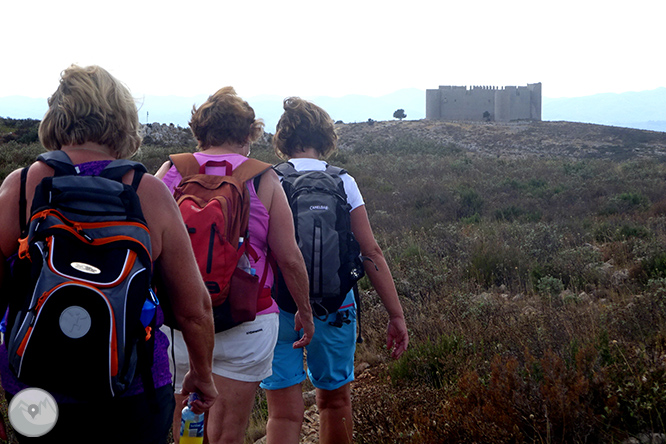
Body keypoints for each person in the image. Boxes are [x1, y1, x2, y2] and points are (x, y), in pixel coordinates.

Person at [0, 65, 218, 443]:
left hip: (34, 388)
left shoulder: (21, 187)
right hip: (133, 390)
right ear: (122, 120)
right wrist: (202, 373)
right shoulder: (147, 193)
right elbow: (194, 308)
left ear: (57, 116)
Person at [155, 87, 315, 444]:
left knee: (188, 432)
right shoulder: (263, 177)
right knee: (227, 435)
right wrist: (304, 310)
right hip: (248, 320)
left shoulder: (171, 171)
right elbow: (289, 257)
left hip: (179, 322)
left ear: (199, 132)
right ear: (247, 134)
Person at [260, 97, 410, 444]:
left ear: (283, 137)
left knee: (282, 412)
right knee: (335, 401)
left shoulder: (268, 181)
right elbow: (371, 251)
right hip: (336, 306)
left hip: (280, 306)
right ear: (325, 136)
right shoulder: (344, 182)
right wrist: (396, 315)